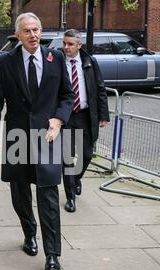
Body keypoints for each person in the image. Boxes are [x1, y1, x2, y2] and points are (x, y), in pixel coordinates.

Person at [0, 13, 74, 270]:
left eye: (36, 30)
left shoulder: (55, 58)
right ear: (18, 35)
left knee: (48, 194)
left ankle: (53, 255)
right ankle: (29, 233)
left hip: (48, 137)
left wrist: (58, 119)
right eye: (27, 31)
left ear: (41, 31)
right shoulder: (4, 61)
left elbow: (67, 95)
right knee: (20, 193)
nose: (33, 35)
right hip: (16, 137)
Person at [62, 29, 110, 213]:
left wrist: (103, 114)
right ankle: (70, 197)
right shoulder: (58, 61)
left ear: (79, 45)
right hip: (65, 116)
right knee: (67, 157)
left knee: (87, 155)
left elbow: (100, 88)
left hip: (84, 115)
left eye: (70, 44)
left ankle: (75, 179)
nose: (66, 47)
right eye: (64, 43)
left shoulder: (90, 62)